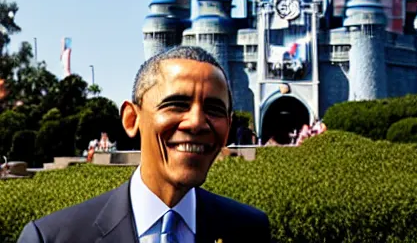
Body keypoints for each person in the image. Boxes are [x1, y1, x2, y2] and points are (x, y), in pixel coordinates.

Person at [17, 46, 271, 243]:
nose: (196, 122)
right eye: (176, 105)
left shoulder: (248, 230)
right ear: (131, 119)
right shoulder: (53, 238)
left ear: (227, 127)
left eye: (214, 110)